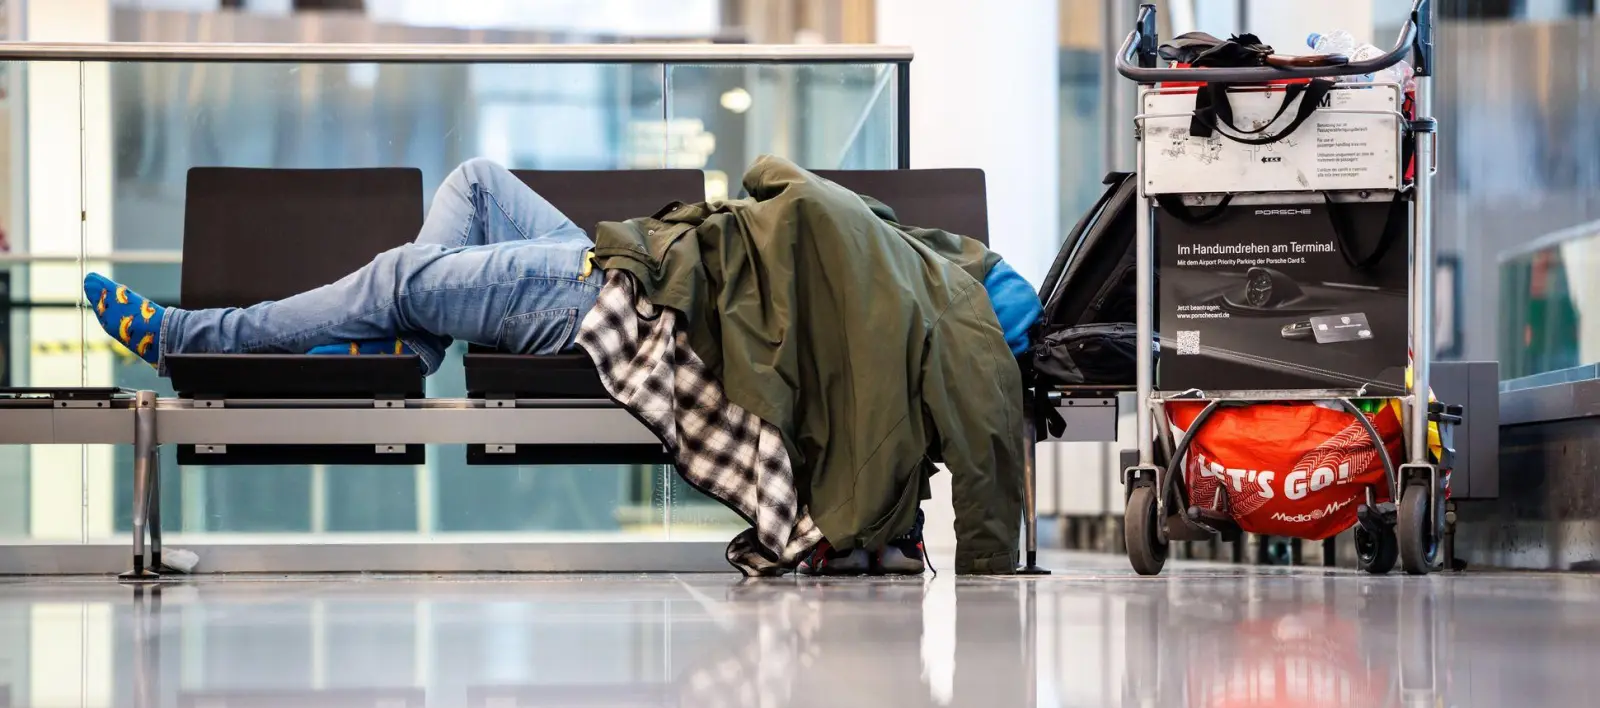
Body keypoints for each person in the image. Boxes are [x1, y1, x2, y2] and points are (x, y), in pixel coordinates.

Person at [83, 158, 1041, 376]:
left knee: (397, 279)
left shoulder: (927, 314)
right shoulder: (917, 267)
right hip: (648, 256)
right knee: (477, 183)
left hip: (630, 307)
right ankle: (410, 355)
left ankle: (182, 341)